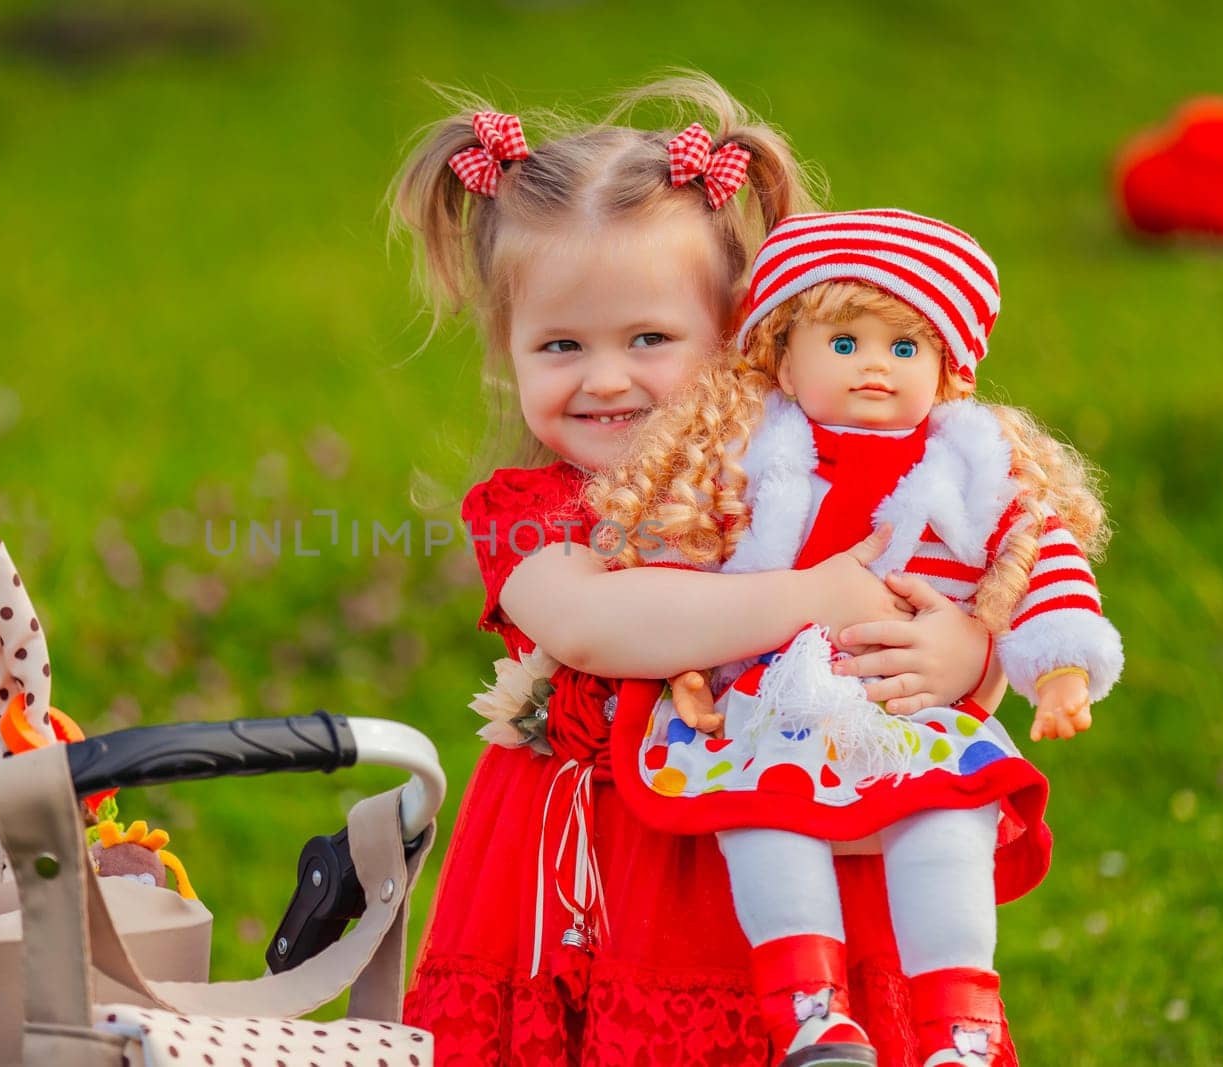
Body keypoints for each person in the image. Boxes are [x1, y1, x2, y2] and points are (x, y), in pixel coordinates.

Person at [394, 78, 1010, 1064]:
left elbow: (938, 591)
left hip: (795, 836)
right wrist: (812, 595)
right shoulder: (530, 511)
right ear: (507, 354)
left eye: (648, 339)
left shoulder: (801, 495)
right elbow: (598, 623)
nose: (603, 377)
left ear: (738, 338)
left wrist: (961, 649)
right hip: (597, 878)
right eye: (560, 344)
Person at [590, 209, 1123, 1066]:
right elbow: (688, 550)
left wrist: (1059, 662)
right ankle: (810, 1009)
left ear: (947, 371)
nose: (875, 365)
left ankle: (962, 1019)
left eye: (905, 348)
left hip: (906, 704)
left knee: (945, 823)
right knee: (765, 817)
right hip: (774, 705)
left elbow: (1044, 553)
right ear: (782, 354)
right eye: (845, 342)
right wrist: (690, 667)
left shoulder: (970, 464)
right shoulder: (748, 452)